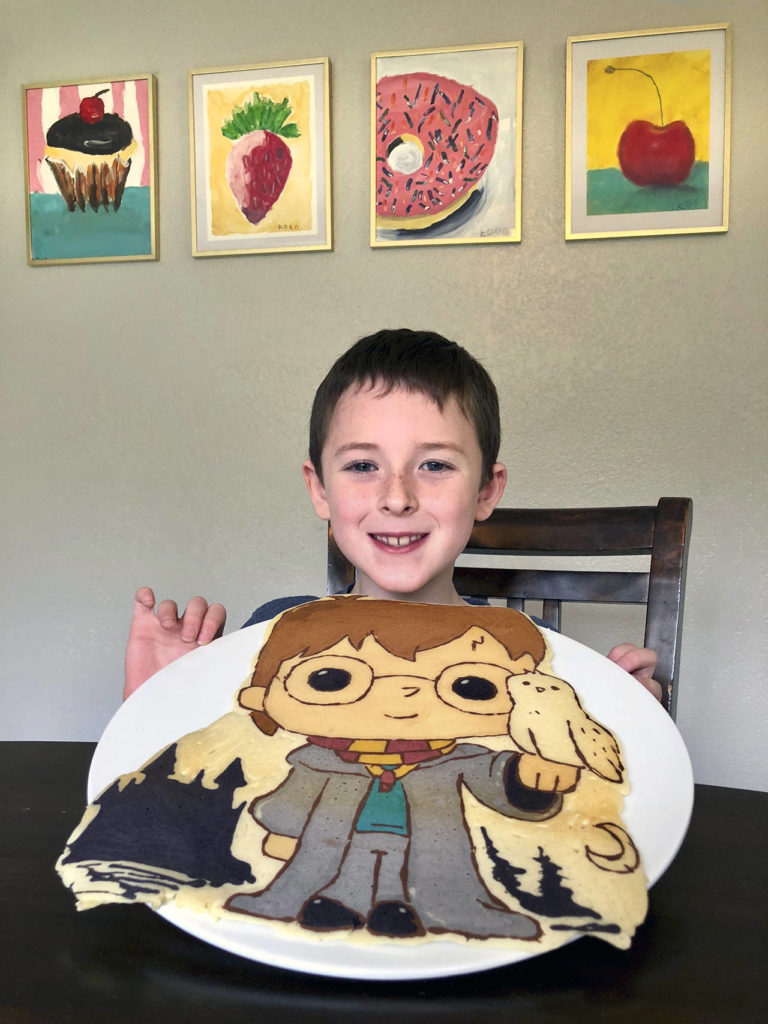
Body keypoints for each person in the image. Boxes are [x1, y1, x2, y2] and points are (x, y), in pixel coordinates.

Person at [124, 329, 661, 701]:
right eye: (362, 465)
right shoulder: (272, 633)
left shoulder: (538, 653)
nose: (397, 497)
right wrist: (161, 701)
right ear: (320, 491)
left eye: (434, 464)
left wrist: (624, 721)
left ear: (485, 491)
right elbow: (209, 792)